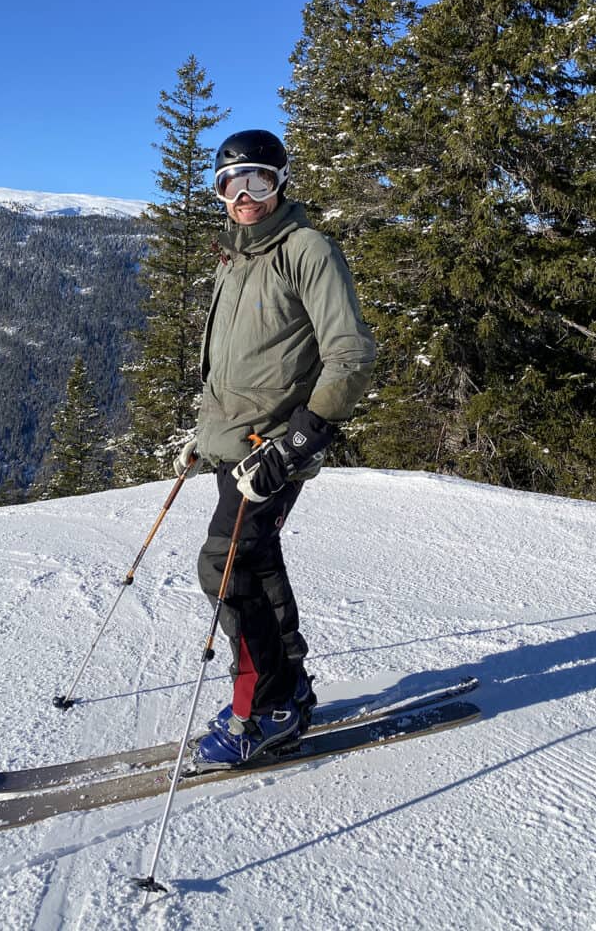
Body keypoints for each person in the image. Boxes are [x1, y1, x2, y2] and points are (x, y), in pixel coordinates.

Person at [172, 129, 376, 769]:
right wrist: (202, 435)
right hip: (231, 447)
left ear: (281, 182)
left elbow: (351, 354)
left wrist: (295, 443)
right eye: (232, 184)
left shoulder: (305, 249)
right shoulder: (234, 258)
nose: (245, 195)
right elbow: (233, 362)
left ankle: (261, 710)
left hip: (273, 450)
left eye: (259, 180)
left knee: (224, 569)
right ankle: (287, 692)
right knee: (256, 566)